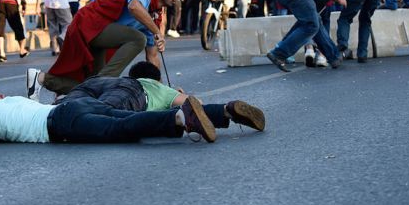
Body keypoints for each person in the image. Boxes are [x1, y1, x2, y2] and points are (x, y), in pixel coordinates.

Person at [0, 78, 265, 147]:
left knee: (120, 130)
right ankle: (224, 112)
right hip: (74, 106)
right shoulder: (10, 99)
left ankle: (179, 120)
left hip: (62, 122)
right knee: (124, 119)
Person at [26, 0, 180, 100]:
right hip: (90, 24)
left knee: (93, 89)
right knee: (138, 39)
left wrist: (165, 93)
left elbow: (152, 57)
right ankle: (102, 82)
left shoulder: (154, 15)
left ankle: (40, 79)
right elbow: (134, 6)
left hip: (100, 35)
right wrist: (157, 31)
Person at [54, 61, 265, 131]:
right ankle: (227, 110)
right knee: (103, 116)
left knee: (64, 112)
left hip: (91, 86)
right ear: (155, 79)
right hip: (129, 96)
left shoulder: (115, 80)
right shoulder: (156, 87)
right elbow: (196, 104)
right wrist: (180, 94)